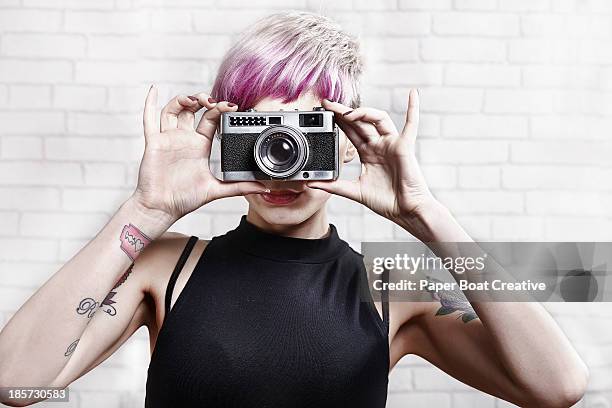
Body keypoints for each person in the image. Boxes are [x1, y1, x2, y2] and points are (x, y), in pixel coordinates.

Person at [0, 11, 588, 408]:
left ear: (348, 138)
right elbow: (16, 383)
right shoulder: (164, 268)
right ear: (226, 134)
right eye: (261, 132)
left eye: (308, 132)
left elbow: (558, 386)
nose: (282, 160)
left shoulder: (390, 287)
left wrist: (426, 215)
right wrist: (146, 208)